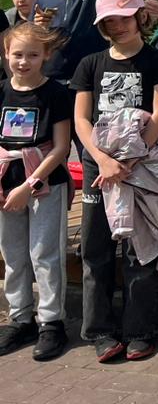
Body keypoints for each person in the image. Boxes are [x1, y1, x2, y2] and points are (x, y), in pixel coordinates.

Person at [70, 0, 158, 363]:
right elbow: (81, 119)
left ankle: (139, 330)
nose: (116, 26)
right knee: (96, 247)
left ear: (139, 17)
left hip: (142, 167)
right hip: (100, 168)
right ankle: (98, 330)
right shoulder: (90, 63)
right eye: (108, 21)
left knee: (142, 248)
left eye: (122, 17)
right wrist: (101, 159)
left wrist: (130, 160)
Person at [0, 23, 74, 360]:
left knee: (44, 254)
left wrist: (31, 185)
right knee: (13, 254)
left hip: (44, 182)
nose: (23, 62)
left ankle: (51, 322)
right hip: (6, 181)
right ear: (6, 54)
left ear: (46, 55)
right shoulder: (1, 90)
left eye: (32, 55)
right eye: (17, 54)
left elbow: (60, 148)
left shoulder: (56, 94)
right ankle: (20, 316)